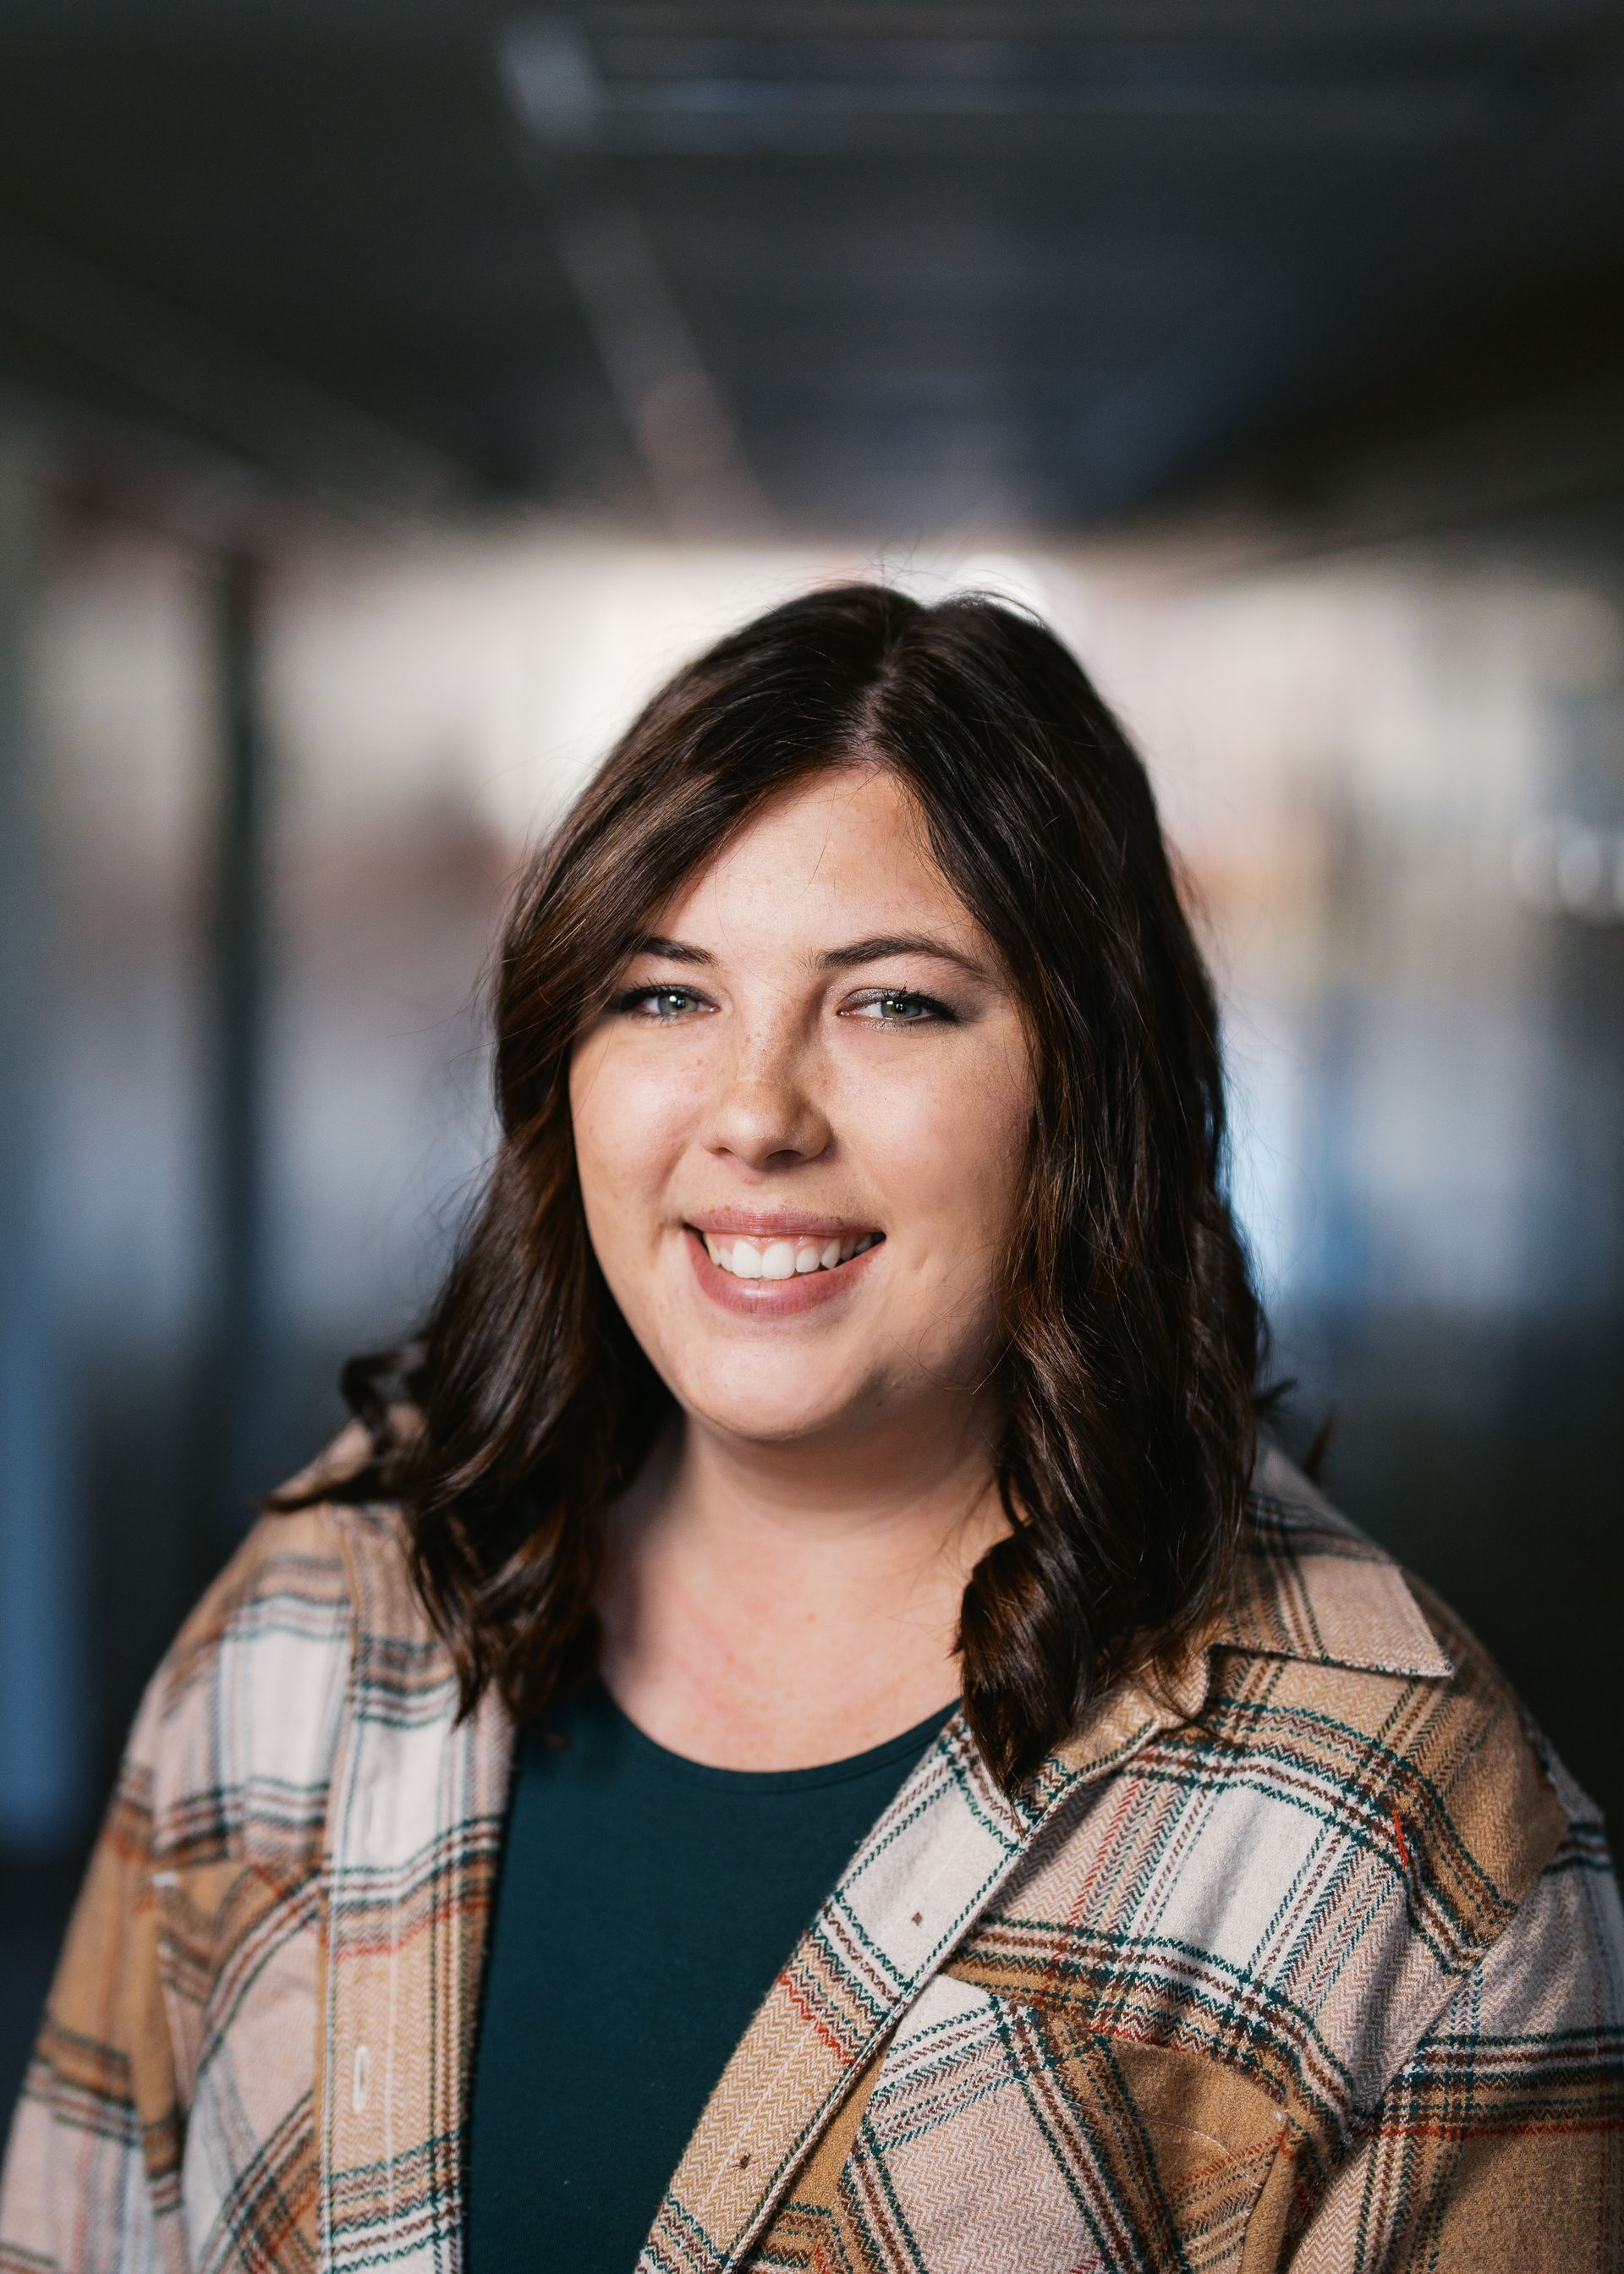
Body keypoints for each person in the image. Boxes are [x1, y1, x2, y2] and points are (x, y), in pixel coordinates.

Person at [3, 584, 1620, 2274]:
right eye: (665, 996)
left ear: (1092, 1082)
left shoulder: (1413, 1837)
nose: (756, 1115)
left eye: (894, 1003)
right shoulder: (314, 1613)